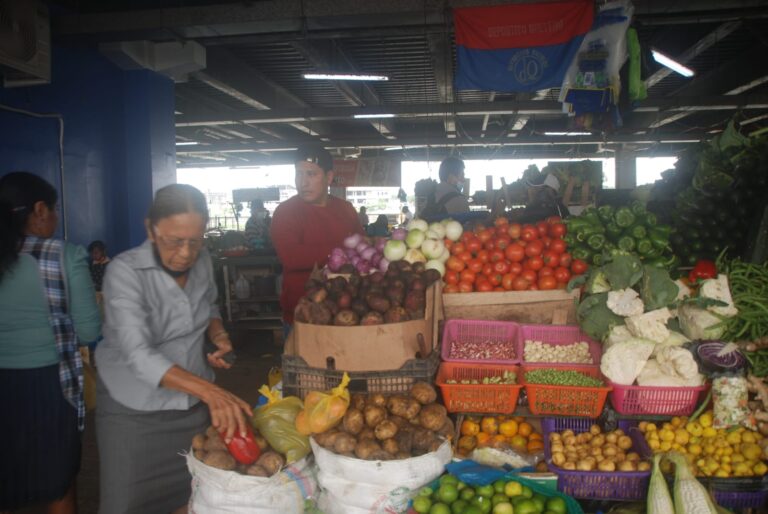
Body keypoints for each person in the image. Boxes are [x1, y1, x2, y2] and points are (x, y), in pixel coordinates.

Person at [95, 184, 252, 514]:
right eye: (174, 241)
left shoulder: (203, 260)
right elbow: (138, 355)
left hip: (191, 411)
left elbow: (208, 306)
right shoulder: (124, 272)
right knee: (128, 506)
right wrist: (212, 393)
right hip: (135, 417)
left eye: (195, 241)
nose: (185, 253)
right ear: (151, 229)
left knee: (193, 501)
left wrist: (219, 336)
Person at [0, 172, 101, 514]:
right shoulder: (63, 255)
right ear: (40, 209)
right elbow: (88, 332)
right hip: (50, 387)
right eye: (55, 208)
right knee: (59, 483)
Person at [270, 144, 364, 325]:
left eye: (311, 174)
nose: (303, 182)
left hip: (345, 315)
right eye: (299, 174)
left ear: (329, 177)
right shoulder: (286, 212)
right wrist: (342, 252)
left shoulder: (346, 209)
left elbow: (361, 247)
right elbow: (291, 257)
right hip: (302, 315)